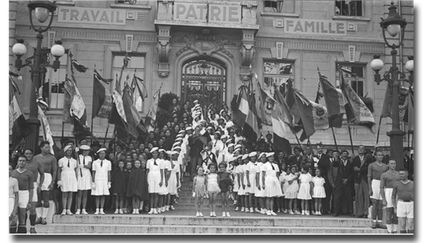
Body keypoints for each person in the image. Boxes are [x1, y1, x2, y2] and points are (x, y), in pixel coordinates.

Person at [33, 141, 57, 225]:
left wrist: (52, 182)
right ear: (41, 148)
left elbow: (54, 171)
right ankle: (38, 216)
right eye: (46, 147)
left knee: (46, 198)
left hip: (47, 177)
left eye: (48, 147)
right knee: (37, 198)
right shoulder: (35, 158)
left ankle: (44, 217)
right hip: (38, 176)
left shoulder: (52, 158)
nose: (48, 149)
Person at [11, 155, 34, 233]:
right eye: (20, 160)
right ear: (17, 162)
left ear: (26, 162)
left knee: (22, 214)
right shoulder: (13, 172)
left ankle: (21, 232)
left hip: (24, 194)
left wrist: (30, 201)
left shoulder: (29, 173)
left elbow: (31, 188)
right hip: (14, 194)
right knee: (13, 213)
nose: (21, 162)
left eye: (23, 161)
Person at [23, 148, 44, 232]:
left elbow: (42, 174)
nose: (28, 155)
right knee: (23, 208)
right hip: (23, 187)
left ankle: (32, 227)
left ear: (32, 154)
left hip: (34, 185)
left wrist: (40, 185)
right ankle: (23, 226)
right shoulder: (21, 162)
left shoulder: (37, 163)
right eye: (26, 153)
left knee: (32, 208)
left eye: (30, 154)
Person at [368, 150, 388, 228]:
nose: (380, 156)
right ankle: (373, 221)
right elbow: (369, 177)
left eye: (381, 155)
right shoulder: (371, 165)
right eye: (379, 155)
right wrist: (370, 188)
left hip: (382, 184)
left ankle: (379, 222)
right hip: (375, 183)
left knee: (381, 204)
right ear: (375, 156)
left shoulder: (385, 166)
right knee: (375, 203)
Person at [380, 160, 400, 233]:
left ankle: (395, 228)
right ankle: (389, 229)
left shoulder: (398, 174)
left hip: (397, 192)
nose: (393, 165)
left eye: (394, 163)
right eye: (391, 163)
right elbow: (381, 187)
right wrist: (383, 199)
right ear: (388, 164)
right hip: (388, 192)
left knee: (396, 211)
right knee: (389, 211)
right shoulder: (384, 175)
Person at [58, 145, 78, 215]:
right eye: (68, 151)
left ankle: (68, 209)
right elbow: (59, 171)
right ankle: (64, 209)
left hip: (72, 177)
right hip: (64, 177)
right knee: (64, 193)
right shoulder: (61, 160)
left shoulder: (74, 161)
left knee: (70, 194)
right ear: (65, 152)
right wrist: (59, 180)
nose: (69, 152)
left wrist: (76, 179)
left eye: (70, 151)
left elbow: (76, 171)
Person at [91, 148, 112, 215]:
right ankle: (97, 209)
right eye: (100, 153)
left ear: (105, 154)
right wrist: (93, 182)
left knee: (103, 195)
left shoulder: (108, 162)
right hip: (97, 179)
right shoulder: (95, 162)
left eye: (103, 153)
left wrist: (109, 182)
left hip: (104, 180)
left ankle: (102, 209)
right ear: (98, 154)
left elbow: (109, 173)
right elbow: (93, 172)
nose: (102, 155)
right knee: (97, 195)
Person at [352, 146, 370, 218]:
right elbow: (353, 168)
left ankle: (366, 212)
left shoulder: (368, 159)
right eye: (359, 149)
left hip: (365, 179)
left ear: (364, 150)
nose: (361, 150)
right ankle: (359, 212)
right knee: (358, 196)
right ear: (357, 150)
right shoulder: (355, 158)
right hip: (357, 179)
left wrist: (359, 169)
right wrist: (360, 169)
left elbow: (367, 169)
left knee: (366, 196)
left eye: (362, 149)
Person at [75, 145, 92, 215]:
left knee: (85, 193)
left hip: (86, 175)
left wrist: (83, 165)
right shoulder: (78, 157)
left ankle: (84, 209)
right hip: (80, 175)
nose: (86, 152)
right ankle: (78, 209)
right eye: (85, 151)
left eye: (87, 151)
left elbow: (89, 166)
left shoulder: (89, 157)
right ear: (83, 151)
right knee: (80, 193)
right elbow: (76, 165)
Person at [146, 148, 161, 214]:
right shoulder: (149, 161)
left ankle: (155, 208)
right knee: (151, 193)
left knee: (156, 193)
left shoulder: (160, 161)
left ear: (158, 154)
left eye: (156, 153)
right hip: (151, 176)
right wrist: (147, 179)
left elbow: (161, 171)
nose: (155, 154)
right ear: (152, 154)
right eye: (153, 153)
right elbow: (147, 170)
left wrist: (161, 180)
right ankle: (151, 208)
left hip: (158, 175)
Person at [9, 165, 19, 233]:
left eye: (10, 169)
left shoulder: (14, 180)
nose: (8, 171)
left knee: (12, 220)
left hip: (10, 201)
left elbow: (16, 195)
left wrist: (15, 209)